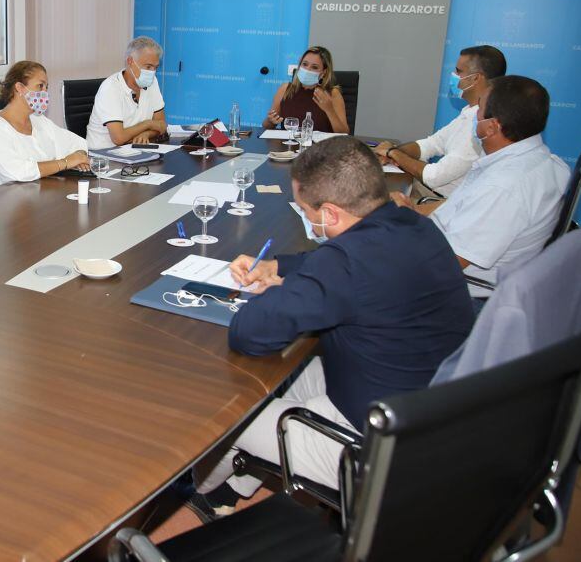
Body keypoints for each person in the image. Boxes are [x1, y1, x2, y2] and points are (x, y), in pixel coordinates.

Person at [193, 136, 473, 507]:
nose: (308, 220)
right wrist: (277, 268)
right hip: (429, 409)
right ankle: (227, 492)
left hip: (377, 448)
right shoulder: (411, 223)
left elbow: (249, 332)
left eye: (306, 212)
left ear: (331, 214)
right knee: (274, 379)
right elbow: (326, 265)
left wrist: (279, 292)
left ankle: (196, 491)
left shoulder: (345, 263)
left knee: (224, 407)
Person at [393, 76, 570, 296]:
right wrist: (413, 210)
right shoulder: (546, 161)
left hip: (461, 293)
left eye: (480, 109)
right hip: (444, 250)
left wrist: (404, 228)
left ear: (492, 127)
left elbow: (443, 264)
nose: (474, 114)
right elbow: (462, 206)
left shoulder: (503, 187)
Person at [374, 45, 506, 198]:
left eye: (458, 71)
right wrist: (391, 153)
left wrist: (393, 153)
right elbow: (431, 144)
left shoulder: (481, 125)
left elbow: (435, 177)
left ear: (475, 78)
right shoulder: (468, 112)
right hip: (428, 191)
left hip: (440, 202)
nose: (454, 75)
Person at [0, 60, 91, 190]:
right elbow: (19, 171)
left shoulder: (37, 120)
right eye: (40, 86)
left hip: (41, 196)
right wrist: (65, 163)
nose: (45, 93)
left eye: (46, 87)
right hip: (8, 204)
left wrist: (79, 157)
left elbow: (77, 142)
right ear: (19, 88)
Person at [85, 36, 168, 149]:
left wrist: (146, 134)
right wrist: (148, 124)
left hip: (133, 150)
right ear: (130, 62)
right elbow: (119, 138)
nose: (152, 72)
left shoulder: (152, 83)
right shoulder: (110, 88)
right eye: (148, 66)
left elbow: (162, 125)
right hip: (104, 157)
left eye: (155, 67)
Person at [263, 46, 349, 134]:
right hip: (287, 145)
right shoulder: (285, 89)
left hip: (320, 146)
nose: (307, 69)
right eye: (304, 64)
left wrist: (329, 110)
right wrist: (270, 120)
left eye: (314, 67)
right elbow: (267, 126)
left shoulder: (332, 93)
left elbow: (343, 133)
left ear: (323, 73)